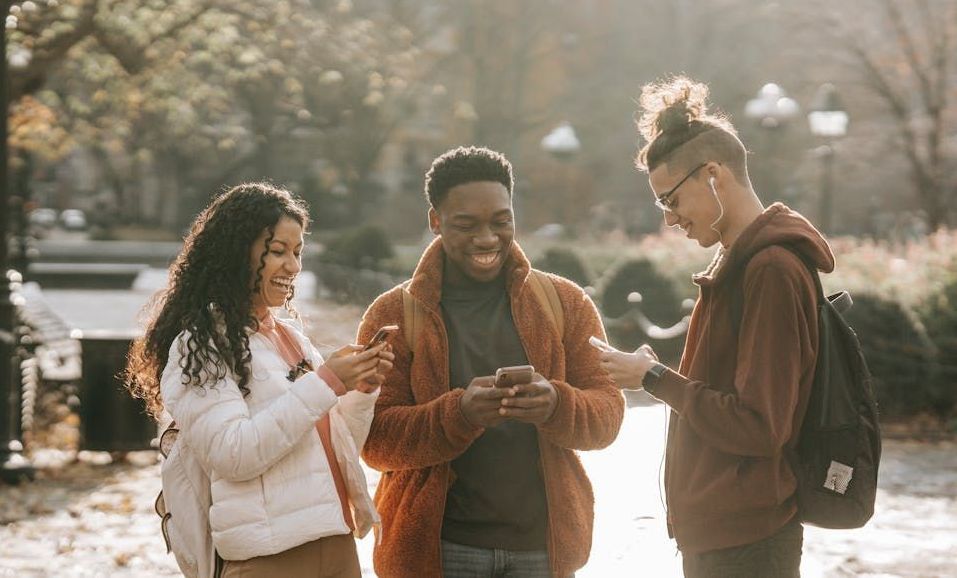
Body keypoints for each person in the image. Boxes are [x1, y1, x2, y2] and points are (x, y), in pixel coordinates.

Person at [599, 77, 835, 577]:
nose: (670, 219)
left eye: (671, 200)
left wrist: (651, 377)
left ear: (713, 175)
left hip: (747, 539)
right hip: (728, 531)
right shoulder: (741, 262)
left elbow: (758, 425)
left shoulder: (769, 268)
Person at [358, 146, 625, 578]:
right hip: (439, 552)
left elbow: (608, 416)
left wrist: (556, 404)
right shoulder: (393, 314)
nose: (487, 238)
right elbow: (374, 442)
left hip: (543, 548)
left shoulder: (565, 303)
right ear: (435, 221)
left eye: (501, 222)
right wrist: (457, 414)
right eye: (466, 225)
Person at [125, 182, 394, 578]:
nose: (293, 266)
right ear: (238, 253)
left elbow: (336, 452)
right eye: (278, 251)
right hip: (269, 559)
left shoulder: (290, 337)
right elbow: (234, 455)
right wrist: (325, 383)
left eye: (298, 252)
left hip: (336, 543)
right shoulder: (200, 345)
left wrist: (361, 390)